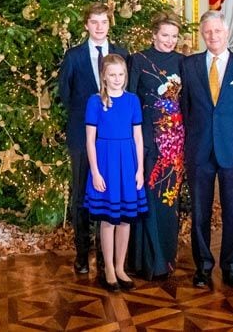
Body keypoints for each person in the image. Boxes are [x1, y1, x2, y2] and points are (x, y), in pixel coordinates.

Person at [180, 10, 233, 289]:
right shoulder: (188, 66)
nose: (213, 36)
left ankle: (230, 267)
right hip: (199, 151)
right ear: (202, 34)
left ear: (227, 33)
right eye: (207, 32)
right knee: (200, 212)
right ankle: (203, 266)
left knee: (232, 212)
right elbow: (185, 110)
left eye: (217, 31)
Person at [59, 2, 129, 275]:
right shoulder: (74, 56)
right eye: (94, 22)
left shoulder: (122, 54)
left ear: (110, 24)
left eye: (104, 22)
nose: (99, 27)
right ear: (86, 24)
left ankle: (106, 257)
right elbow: (64, 93)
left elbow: (126, 93)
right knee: (81, 194)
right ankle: (81, 253)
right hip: (81, 135)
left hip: (114, 139)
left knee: (110, 194)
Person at [126, 12, 185, 280]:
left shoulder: (184, 63)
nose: (169, 40)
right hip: (147, 141)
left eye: (174, 36)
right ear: (153, 35)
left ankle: (167, 261)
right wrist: (141, 140)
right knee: (148, 199)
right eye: (165, 35)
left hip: (176, 145)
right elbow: (131, 102)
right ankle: (148, 262)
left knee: (168, 202)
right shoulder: (138, 60)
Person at [84, 54, 147, 292]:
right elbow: (90, 140)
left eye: (121, 74)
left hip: (128, 163)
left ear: (126, 76)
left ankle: (121, 267)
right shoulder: (95, 101)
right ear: (104, 76)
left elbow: (138, 137)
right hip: (105, 163)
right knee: (108, 220)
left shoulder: (132, 101)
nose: (117, 79)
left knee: (124, 219)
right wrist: (96, 172)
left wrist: (140, 169)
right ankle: (108, 268)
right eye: (112, 75)